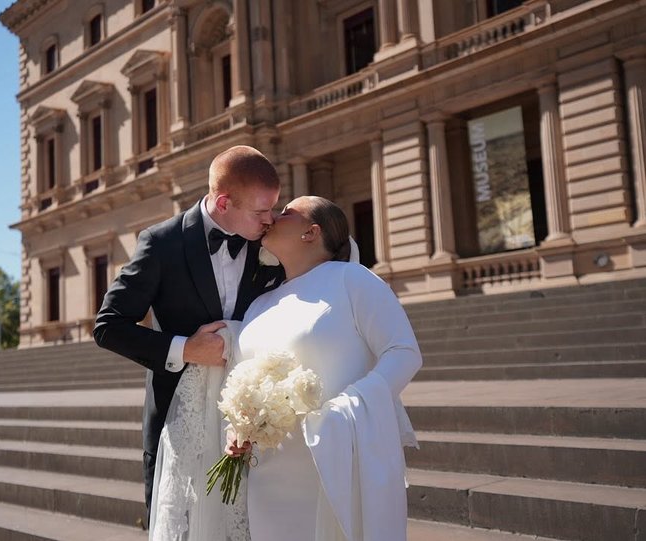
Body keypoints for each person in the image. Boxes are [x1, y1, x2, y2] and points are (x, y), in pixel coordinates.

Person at [151, 196, 421, 540]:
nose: (274, 216)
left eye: (288, 212)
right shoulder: (261, 303)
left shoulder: (354, 280)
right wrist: (238, 426)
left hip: (330, 458)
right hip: (267, 471)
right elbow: (244, 371)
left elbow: (403, 351)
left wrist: (349, 408)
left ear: (311, 232)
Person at [92, 145, 284, 516]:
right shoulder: (162, 243)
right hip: (179, 420)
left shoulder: (269, 242)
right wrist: (186, 349)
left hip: (248, 426)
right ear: (224, 203)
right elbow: (108, 326)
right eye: (262, 211)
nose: (270, 220)